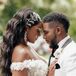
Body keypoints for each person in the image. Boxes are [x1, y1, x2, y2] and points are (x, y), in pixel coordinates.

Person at [1, 8, 49, 76]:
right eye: (38, 30)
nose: (39, 34)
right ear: (27, 28)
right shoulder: (21, 52)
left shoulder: (28, 47)